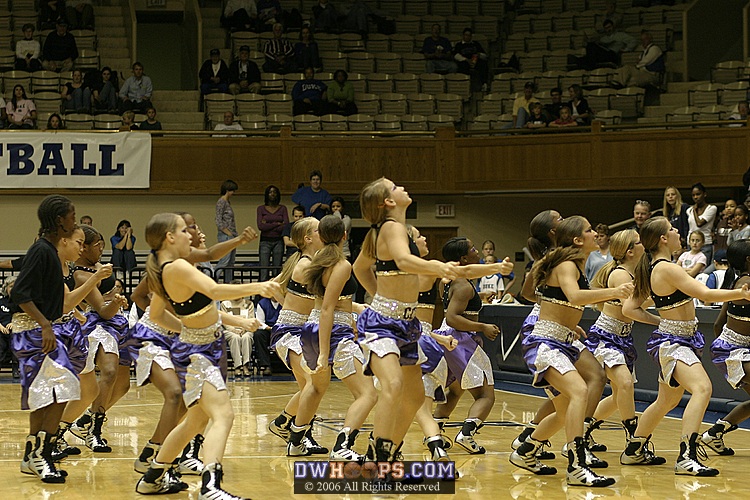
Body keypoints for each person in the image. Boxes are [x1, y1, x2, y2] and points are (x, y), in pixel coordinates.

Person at [134, 213, 280, 497]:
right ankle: (210, 486)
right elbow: (213, 291)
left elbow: (156, 314)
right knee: (224, 415)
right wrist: (258, 287)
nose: (190, 235)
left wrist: (186, 329)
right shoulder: (175, 267)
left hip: (199, 347)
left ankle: (152, 476)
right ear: (170, 237)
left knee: (195, 421)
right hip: (198, 354)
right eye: (183, 230)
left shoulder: (166, 267)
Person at [622, 217, 750, 476]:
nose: (677, 232)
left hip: (679, 339)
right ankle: (687, 456)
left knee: (665, 402)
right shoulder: (667, 268)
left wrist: (660, 320)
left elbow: (629, 307)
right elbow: (705, 294)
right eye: (672, 229)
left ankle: (633, 449)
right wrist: (741, 294)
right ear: (662, 239)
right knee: (703, 388)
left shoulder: (658, 267)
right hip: (673, 343)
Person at [509, 216, 629, 487]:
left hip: (562, 339)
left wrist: (568, 324)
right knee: (580, 392)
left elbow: (561, 301)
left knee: (565, 412)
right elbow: (574, 297)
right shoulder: (566, 264)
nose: (594, 233)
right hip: (545, 343)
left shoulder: (575, 264)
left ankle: (526, 450)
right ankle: (577, 465)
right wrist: (614, 291)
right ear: (577, 240)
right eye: (588, 230)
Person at [352, 177, 459, 467]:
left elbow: (360, 267)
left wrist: (378, 292)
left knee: (413, 397)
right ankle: (380, 461)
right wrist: (436, 266)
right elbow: (402, 260)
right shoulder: (390, 228)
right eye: (395, 187)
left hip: (407, 324)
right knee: (392, 385)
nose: (402, 188)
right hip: (382, 323)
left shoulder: (383, 232)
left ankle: (383, 452)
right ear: (387, 202)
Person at [288, 215, 376, 460]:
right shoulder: (341, 265)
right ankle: (342, 446)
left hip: (312, 329)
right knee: (368, 394)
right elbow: (329, 308)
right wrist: (325, 352)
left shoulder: (316, 261)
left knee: (315, 389)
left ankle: (295, 441)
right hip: (333, 332)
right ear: (345, 236)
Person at [11, 195, 80, 483]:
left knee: (49, 396)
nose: (75, 220)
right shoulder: (41, 251)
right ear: (59, 221)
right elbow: (19, 294)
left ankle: (33, 455)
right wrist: (45, 326)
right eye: (72, 216)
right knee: (61, 390)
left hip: (40, 330)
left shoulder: (47, 250)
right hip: (33, 332)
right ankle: (41, 454)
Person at [432, 237, 512, 454]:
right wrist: (482, 326)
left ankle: (434, 433)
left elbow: (455, 307)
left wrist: (479, 296)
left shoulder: (447, 281)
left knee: (455, 391)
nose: (477, 251)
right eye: (473, 249)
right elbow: (452, 317)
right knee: (486, 395)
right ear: (464, 258)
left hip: (447, 338)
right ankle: (466, 435)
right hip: (460, 340)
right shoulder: (463, 286)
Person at [585, 229, 660, 454]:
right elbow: (632, 310)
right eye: (638, 243)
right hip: (607, 336)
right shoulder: (620, 275)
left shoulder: (634, 273)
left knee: (619, 396)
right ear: (629, 251)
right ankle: (634, 441)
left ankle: (583, 432)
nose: (643, 246)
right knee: (625, 384)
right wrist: (661, 318)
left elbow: (638, 304)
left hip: (623, 337)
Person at [267, 217, 328, 455]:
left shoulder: (310, 262)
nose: (323, 231)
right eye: (318, 228)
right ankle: (298, 434)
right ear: (308, 238)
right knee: (313, 384)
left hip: (304, 330)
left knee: (310, 387)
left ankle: (285, 424)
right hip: (289, 332)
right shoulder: (306, 266)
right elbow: (328, 302)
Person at [68, 225, 130, 453]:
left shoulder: (98, 267)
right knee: (109, 372)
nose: (102, 249)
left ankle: (84, 421)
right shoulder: (81, 274)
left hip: (118, 320)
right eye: (97, 245)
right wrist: (115, 301)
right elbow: (102, 310)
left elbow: (110, 299)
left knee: (123, 386)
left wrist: (115, 301)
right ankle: (94, 431)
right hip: (97, 322)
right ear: (83, 248)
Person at [703, 239, 750, 455]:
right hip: (734, 351)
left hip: (728, 348)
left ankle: (714, 434)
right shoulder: (746, 284)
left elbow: (717, 324)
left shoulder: (736, 282)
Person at [573, 19, 637, 71]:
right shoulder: (603, 38)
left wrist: (626, 49)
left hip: (613, 55)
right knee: (589, 50)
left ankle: (588, 66)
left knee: (591, 47)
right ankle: (580, 61)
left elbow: (634, 40)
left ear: (613, 26)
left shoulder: (621, 35)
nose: (608, 29)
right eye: (606, 28)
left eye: (609, 27)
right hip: (602, 55)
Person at [257, 185, 289, 281]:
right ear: (266, 195)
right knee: (264, 269)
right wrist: (277, 224)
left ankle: (275, 293)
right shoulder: (261, 209)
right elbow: (261, 226)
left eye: (274, 192)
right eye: (270, 192)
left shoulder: (283, 208)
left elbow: (286, 226)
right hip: (265, 241)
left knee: (277, 269)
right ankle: (262, 294)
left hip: (279, 241)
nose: (272, 194)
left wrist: (268, 224)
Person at [687, 182, 717, 264]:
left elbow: (699, 224)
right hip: (691, 243)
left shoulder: (711, 208)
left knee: (703, 270)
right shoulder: (689, 210)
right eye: (693, 195)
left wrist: (695, 211)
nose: (696, 197)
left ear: (704, 194)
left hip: (705, 243)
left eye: (698, 194)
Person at [216, 180, 239, 283]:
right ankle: (213, 279)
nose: (233, 193)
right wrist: (227, 232)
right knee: (224, 261)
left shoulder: (227, 202)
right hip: (226, 236)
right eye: (232, 191)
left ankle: (228, 282)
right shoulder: (221, 202)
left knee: (231, 262)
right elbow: (218, 219)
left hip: (232, 235)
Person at [254, 296, 281, 375]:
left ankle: (288, 366)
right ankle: (266, 365)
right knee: (258, 335)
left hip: (281, 329)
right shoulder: (262, 303)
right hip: (268, 329)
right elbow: (260, 322)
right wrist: (269, 328)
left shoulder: (285, 302)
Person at [0, 276, 19, 379]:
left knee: (15, 341)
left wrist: (14, 324)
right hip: (1, 329)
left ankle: (15, 369)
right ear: (5, 288)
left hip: (16, 330)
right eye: (10, 286)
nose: (13, 289)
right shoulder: (1, 302)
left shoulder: (21, 303)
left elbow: (24, 317)